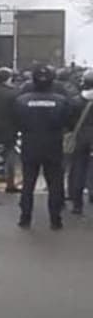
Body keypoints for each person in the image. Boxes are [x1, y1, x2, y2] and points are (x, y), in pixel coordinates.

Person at [13, 65, 71, 230]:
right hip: (53, 144)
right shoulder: (61, 101)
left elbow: (17, 121)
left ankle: (25, 218)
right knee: (55, 184)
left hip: (30, 144)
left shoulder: (21, 101)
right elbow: (67, 122)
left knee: (28, 183)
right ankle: (55, 219)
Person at [67, 70, 93, 215]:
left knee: (78, 169)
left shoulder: (75, 101)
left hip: (80, 137)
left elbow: (69, 121)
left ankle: (77, 203)